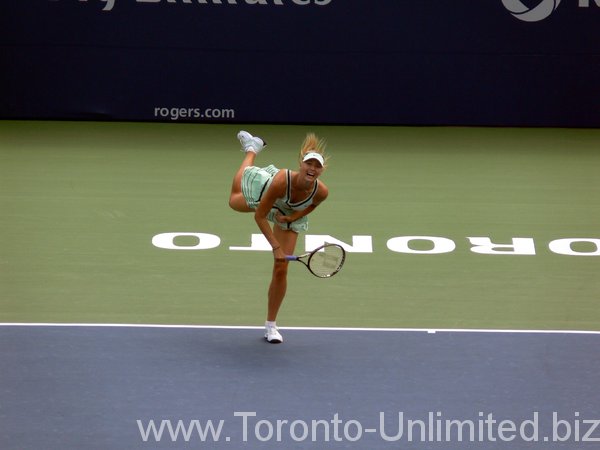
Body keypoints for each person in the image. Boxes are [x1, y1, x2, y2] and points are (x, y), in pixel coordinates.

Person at [228, 130, 329, 343]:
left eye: (317, 166)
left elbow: (312, 206)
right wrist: (276, 247)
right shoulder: (282, 180)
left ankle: (271, 326)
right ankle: (251, 150)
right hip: (268, 198)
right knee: (234, 200)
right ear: (301, 164)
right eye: (309, 164)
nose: (312, 169)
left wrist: (294, 215)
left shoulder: (321, 192)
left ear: (322, 170)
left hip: (287, 215)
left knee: (281, 268)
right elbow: (260, 216)